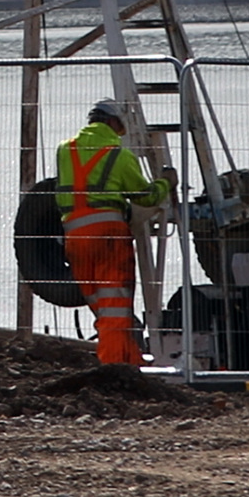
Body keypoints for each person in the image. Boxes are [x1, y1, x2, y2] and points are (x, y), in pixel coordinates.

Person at [58, 97, 164, 366]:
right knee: (115, 309)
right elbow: (145, 197)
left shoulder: (65, 150)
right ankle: (114, 370)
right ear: (113, 122)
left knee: (104, 309)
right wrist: (166, 183)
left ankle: (131, 361)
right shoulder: (120, 155)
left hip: (75, 238)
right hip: (108, 235)